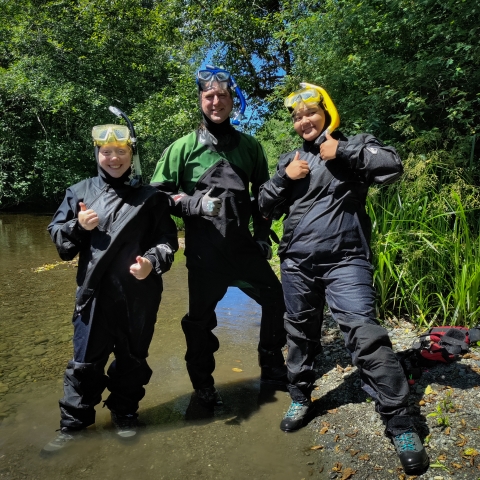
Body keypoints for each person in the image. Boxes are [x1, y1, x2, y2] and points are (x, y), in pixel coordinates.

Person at [258, 83, 429, 475]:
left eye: (310, 113)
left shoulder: (355, 146)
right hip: (297, 264)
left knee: (364, 333)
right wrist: (285, 178)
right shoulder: (292, 159)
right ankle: (301, 396)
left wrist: (344, 151)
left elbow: (391, 164)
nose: (304, 121)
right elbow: (263, 206)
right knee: (299, 332)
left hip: (346, 261)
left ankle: (401, 425)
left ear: (328, 111)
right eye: (297, 117)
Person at [150, 65, 287, 408]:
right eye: (209, 96)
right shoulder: (181, 149)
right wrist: (192, 204)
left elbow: (263, 198)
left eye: (222, 96)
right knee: (199, 323)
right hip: (203, 256)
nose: (216, 101)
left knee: (277, 300)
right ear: (200, 100)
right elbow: (156, 198)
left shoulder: (251, 147)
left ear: (232, 101)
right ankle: (203, 385)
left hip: (243, 251)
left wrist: (262, 237)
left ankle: (271, 369)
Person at [42, 117, 178, 454]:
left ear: (131, 154)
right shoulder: (80, 191)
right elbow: (61, 243)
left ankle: (125, 412)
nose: (113, 158)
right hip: (94, 296)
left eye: (120, 151)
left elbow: (167, 242)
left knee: (133, 359)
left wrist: (151, 262)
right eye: (106, 151)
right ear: (97, 153)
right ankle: (73, 426)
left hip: (140, 296)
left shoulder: (151, 198)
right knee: (85, 364)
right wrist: (78, 225)